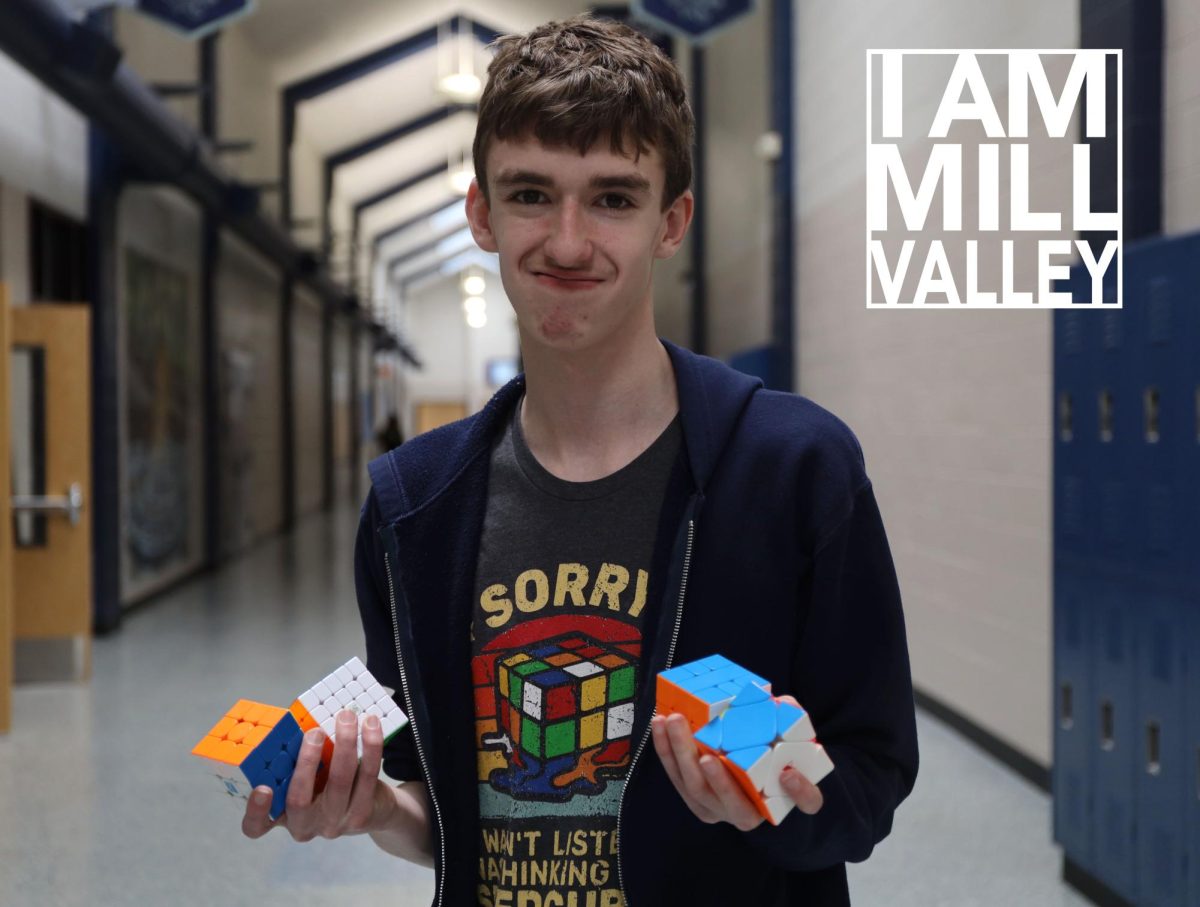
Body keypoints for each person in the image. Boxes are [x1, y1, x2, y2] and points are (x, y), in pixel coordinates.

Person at [242, 14, 918, 906]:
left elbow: (870, 776)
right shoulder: (414, 505)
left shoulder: (795, 470)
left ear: (670, 221)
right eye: (530, 194)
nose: (566, 242)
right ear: (480, 213)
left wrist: (782, 802)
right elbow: (448, 808)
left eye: (612, 198)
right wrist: (368, 807)